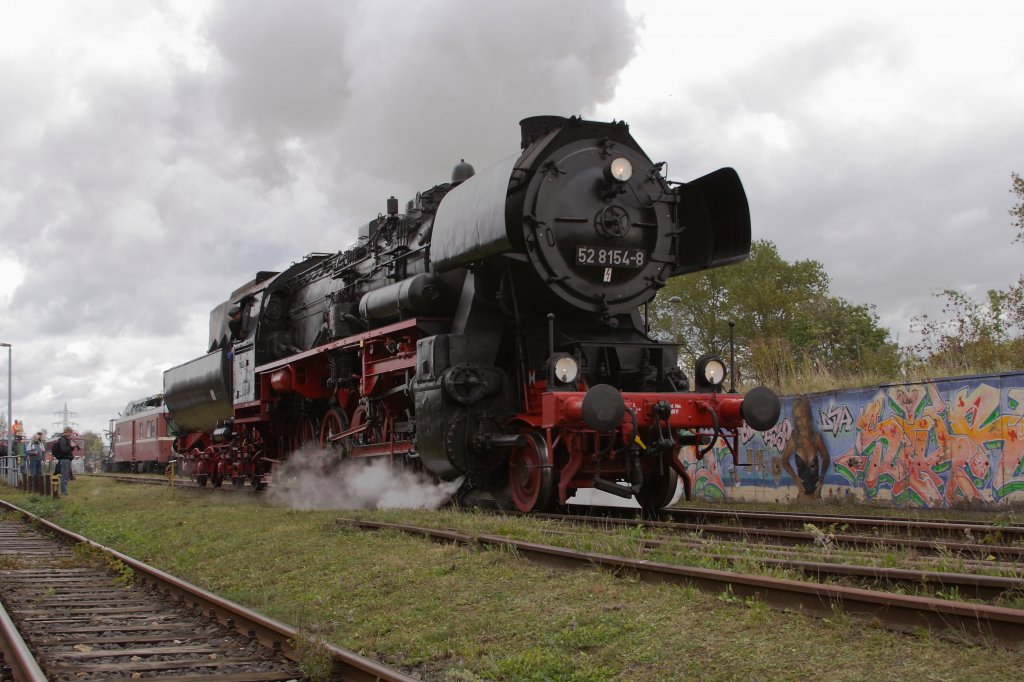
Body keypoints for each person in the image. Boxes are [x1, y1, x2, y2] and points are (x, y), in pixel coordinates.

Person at [780, 396, 831, 502]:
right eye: (798, 419)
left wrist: (821, 478)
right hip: (802, 497)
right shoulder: (794, 440)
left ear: (809, 416)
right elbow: (784, 461)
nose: (801, 423)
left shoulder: (816, 438)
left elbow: (826, 458)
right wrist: (796, 479)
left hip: (816, 498)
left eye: (803, 417)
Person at [53, 427, 79, 496]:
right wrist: (71, 446)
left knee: (66, 476)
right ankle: (64, 493)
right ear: (66, 432)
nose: (71, 434)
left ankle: (65, 492)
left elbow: (68, 451)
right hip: (64, 460)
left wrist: (72, 447)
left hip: (66, 459)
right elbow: (64, 450)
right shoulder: (63, 440)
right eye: (70, 432)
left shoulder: (66, 440)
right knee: (64, 476)